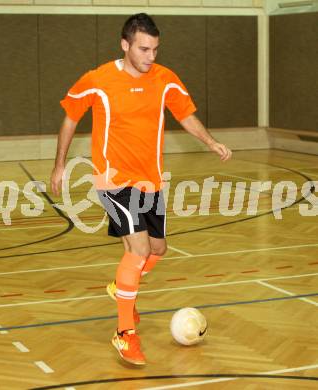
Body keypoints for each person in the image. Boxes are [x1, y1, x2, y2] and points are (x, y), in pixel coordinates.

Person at [51, 13, 232, 366]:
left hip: (150, 180)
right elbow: (71, 116)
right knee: (137, 250)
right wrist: (59, 164)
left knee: (158, 249)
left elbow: (185, 114)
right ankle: (124, 334)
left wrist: (210, 141)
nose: (151, 56)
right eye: (144, 49)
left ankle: (123, 289)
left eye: (155, 49)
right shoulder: (98, 79)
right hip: (113, 179)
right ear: (125, 45)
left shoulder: (165, 80)